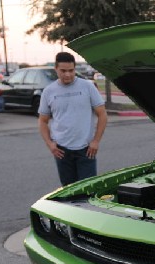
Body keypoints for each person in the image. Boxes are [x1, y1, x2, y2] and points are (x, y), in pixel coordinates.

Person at [38, 52, 108, 186]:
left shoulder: (87, 86)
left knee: (88, 191)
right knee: (68, 192)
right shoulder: (49, 91)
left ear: (75, 69)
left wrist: (96, 141)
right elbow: (42, 120)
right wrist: (50, 144)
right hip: (61, 151)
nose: (68, 74)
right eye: (63, 71)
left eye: (71, 70)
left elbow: (102, 114)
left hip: (86, 150)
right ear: (56, 69)